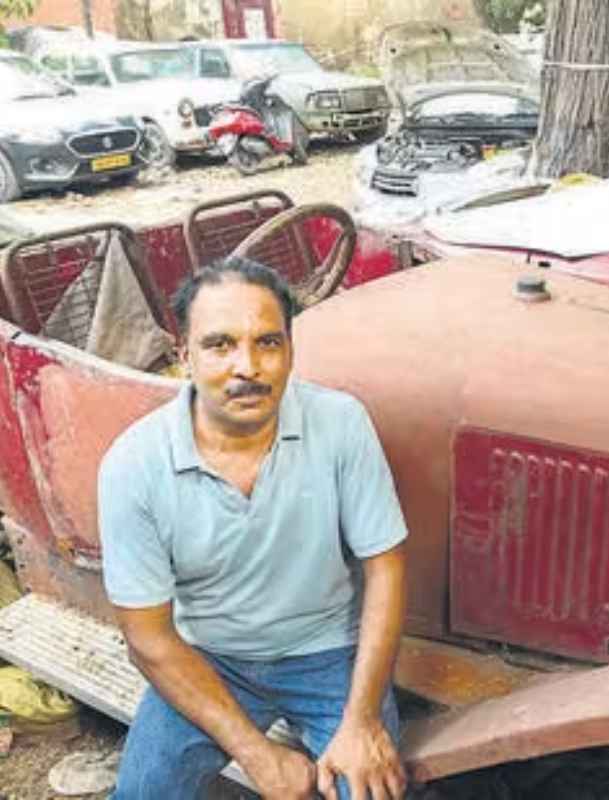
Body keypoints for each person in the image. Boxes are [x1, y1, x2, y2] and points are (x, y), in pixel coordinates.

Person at [98, 257, 409, 800]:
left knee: (373, 787)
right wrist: (258, 756)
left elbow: (386, 565)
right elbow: (148, 639)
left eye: (268, 342)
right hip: (209, 659)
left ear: (290, 350)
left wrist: (361, 721)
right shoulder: (133, 466)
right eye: (220, 345)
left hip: (328, 651)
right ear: (184, 357)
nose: (248, 367)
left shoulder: (340, 424)